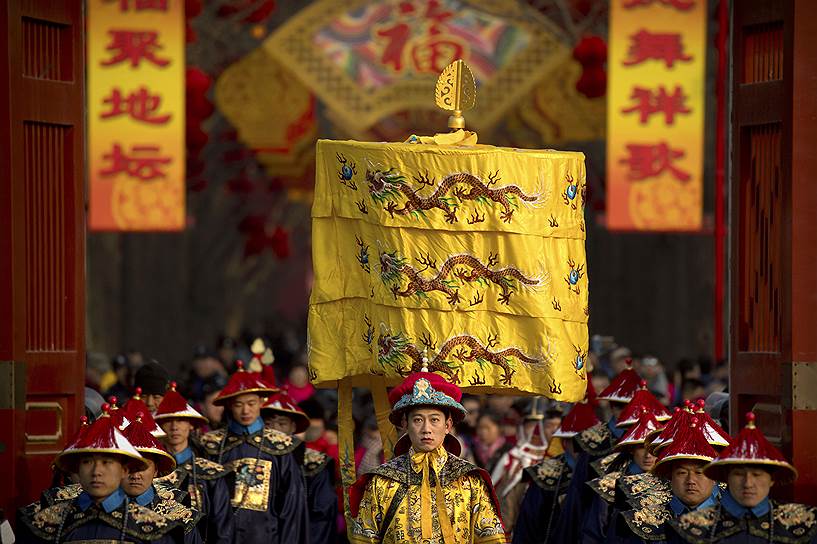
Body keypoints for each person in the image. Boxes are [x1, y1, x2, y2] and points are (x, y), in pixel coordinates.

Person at [349, 362, 506, 543]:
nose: (426, 429)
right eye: (417, 420)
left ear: (448, 425)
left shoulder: (470, 481)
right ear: (405, 425)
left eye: (434, 420)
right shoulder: (382, 483)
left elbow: (491, 539)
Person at [16, 405, 191, 543]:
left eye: (107, 462)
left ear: (124, 470)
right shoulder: (44, 525)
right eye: (87, 462)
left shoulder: (157, 529)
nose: (96, 472)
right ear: (75, 469)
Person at [199, 360, 309, 544]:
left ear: (261, 402)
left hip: (267, 537)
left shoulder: (280, 447)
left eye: (251, 403)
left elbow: (292, 506)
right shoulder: (212, 446)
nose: (245, 410)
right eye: (238, 404)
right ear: (229, 406)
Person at [668, 412, 817, 544]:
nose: (748, 483)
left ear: (771, 479)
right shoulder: (688, 527)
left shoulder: (805, 524)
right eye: (739, 474)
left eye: (757, 475)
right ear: (727, 478)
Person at [513, 383, 600, 544]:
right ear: (565, 443)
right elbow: (527, 527)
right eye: (579, 442)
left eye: (590, 443)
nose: (585, 449)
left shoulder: (603, 474)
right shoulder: (544, 475)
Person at [615, 415, 722, 543]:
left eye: (699, 472)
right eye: (682, 473)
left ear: (715, 477)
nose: (690, 480)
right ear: (670, 476)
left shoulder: (734, 521)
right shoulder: (642, 521)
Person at [155, 382, 234, 544]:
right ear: (159, 426)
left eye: (181, 420)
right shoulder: (152, 473)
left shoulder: (211, 473)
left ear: (191, 425)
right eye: (168, 420)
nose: (174, 427)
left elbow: (222, 525)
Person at [262, 389, 338, 544]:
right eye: (268, 423)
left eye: (281, 423)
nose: (274, 430)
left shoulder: (314, 463)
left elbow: (322, 515)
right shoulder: (253, 460)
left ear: (293, 427)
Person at [582, 408, 664, 544]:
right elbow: (593, 532)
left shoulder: (668, 484)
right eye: (642, 447)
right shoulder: (610, 484)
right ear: (631, 449)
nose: (648, 455)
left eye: (653, 449)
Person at [120, 414, 201, 544]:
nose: (135, 475)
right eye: (129, 467)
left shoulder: (181, 517)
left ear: (156, 470)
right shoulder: (94, 510)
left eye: (143, 467)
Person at [491, 398, 555, 532]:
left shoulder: (554, 459)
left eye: (538, 425)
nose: (534, 431)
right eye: (530, 425)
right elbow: (493, 491)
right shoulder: (512, 456)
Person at [473, 410, 513, 474]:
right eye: (480, 428)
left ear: (499, 428)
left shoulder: (508, 450)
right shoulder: (473, 450)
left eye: (487, 428)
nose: (483, 432)